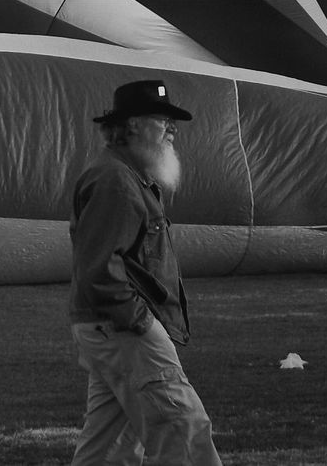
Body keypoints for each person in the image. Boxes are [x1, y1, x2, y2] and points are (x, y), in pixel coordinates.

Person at [67, 79, 222, 466]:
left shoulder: (128, 176)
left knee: (109, 448)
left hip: (106, 326)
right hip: (121, 327)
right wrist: (141, 322)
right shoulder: (116, 181)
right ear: (131, 125)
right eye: (162, 119)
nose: (172, 129)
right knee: (182, 428)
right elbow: (101, 268)